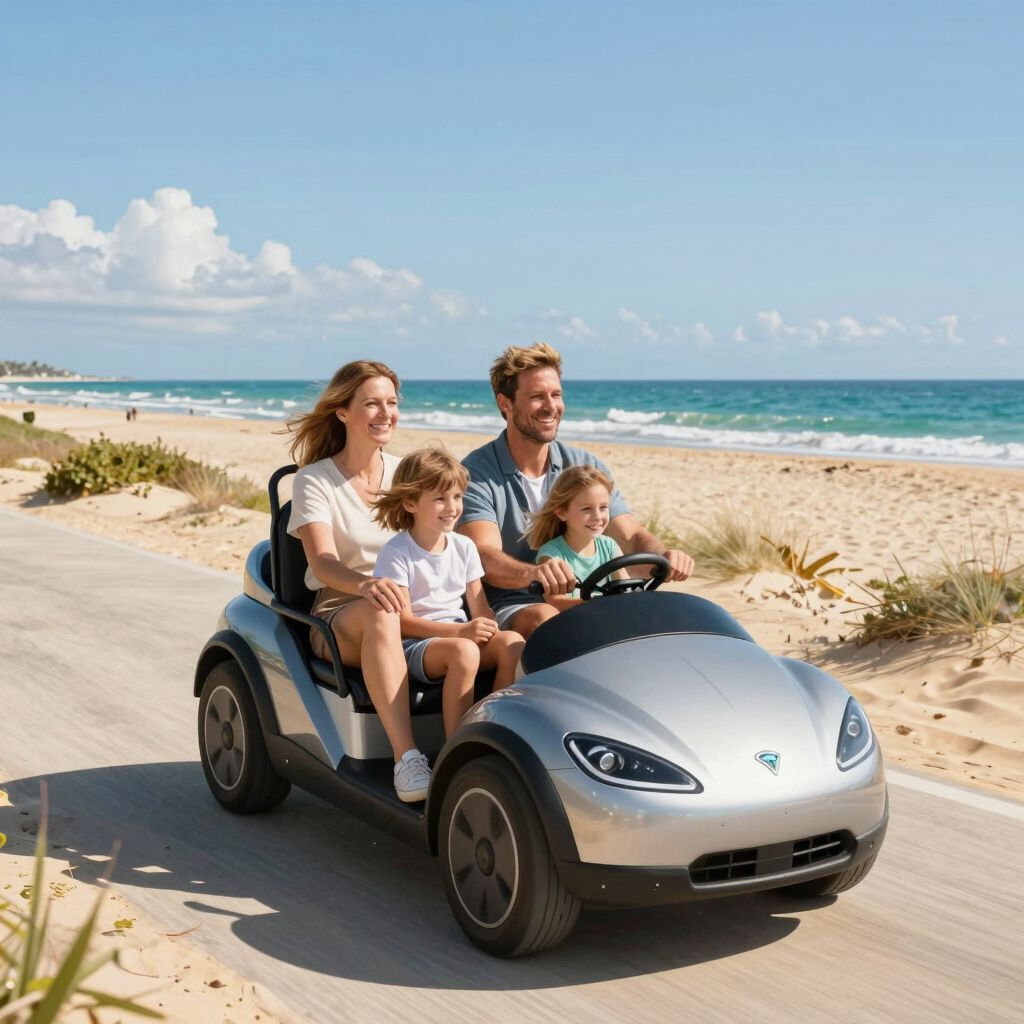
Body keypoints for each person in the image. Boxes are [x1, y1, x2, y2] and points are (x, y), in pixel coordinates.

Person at [458, 342, 694, 639]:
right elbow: (484, 555)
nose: (550, 406)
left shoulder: (584, 465)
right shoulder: (476, 473)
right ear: (506, 404)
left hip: (586, 600)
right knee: (546, 616)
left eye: (556, 395)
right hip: (511, 605)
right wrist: (534, 574)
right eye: (536, 397)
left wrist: (664, 556)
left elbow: (630, 535)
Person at [286, 360, 431, 803]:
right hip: (340, 615)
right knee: (383, 612)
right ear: (343, 412)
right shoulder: (315, 480)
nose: (385, 413)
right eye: (372, 403)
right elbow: (324, 562)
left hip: (411, 606)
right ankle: (408, 758)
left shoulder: (407, 473)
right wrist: (366, 585)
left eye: (391, 402)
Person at [372, 448, 525, 737]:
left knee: (513, 643)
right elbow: (403, 622)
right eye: (440, 499)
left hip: (459, 634)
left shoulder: (463, 546)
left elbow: (480, 607)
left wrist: (488, 629)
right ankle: (457, 743)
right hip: (417, 645)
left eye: (457, 497)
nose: (452, 507)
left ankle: (493, 727)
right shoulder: (397, 552)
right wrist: (462, 633)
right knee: (465, 651)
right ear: (410, 503)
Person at [527, 465, 627, 609]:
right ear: (562, 513)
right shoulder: (552, 554)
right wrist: (596, 604)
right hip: (574, 623)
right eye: (587, 509)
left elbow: (625, 588)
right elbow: (555, 602)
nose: (598, 517)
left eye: (603, 507)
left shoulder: (609, 546)